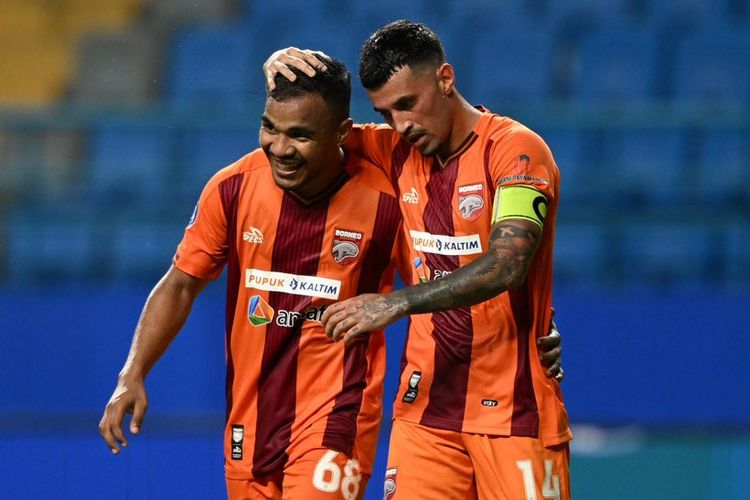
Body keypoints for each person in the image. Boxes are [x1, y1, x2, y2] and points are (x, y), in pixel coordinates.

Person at [264, 20, 572, 500]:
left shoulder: (516, 151)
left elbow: (507, 264)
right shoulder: (392, 151)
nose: (401, 125)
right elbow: (307, 132)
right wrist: (280, 68)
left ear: (445, 79)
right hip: (424, 412)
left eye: (407, 104)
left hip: (517, 411)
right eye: (385, 113)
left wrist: (397, 302)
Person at [99, 56, 401, 500]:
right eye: (270, 128)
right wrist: (133, 372)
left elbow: (439, 272)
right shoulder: (233, 187)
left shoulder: (386, 201)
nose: (279, 147)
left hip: (337, 414)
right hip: (250, 421)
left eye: (300, 135)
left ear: (342, 133)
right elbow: (181, 283)